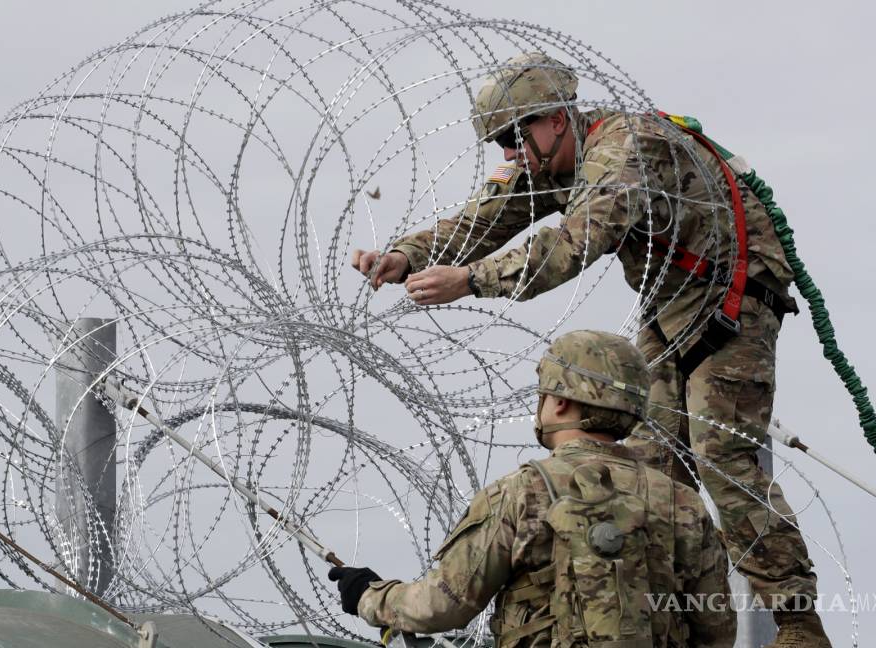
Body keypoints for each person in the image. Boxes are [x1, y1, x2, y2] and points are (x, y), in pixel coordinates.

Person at [349, 52, 828, 646]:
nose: (506, 152)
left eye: (511, 135)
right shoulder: (550, 159)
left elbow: (574, 243)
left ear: (554, 118)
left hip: (733, 297)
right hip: (670, 305)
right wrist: (407, 256)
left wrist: (470, 281)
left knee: (720, 455)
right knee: (648, 475)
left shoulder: (626, 151)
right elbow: (485, 218)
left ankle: (799, 624)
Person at [330, 330, 734, 647]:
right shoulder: (683, 501)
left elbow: (444, 605)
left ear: (559, 402)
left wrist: (371, 595)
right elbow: (716, 630)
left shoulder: (522, 490)